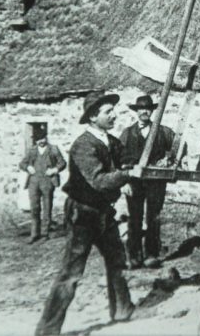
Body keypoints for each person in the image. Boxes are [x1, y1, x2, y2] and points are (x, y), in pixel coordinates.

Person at [35, 91, 142, 336]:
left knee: (117, 261)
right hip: (82, 215)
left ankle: (123, 309)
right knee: (71, 274)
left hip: (104, 213)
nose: (114, 115)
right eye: (108, 112)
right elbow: (99, 180)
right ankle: (47, 329)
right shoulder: (82, 146)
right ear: (93, 117)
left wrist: (138, 168)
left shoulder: (112, 142)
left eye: (113, 110)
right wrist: (127, 175)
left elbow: (126, 163)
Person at [119, 95, 175, 269]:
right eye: (141, 109)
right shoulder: (127, 133)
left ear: (152, 111)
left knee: (154, 217)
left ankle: (151, 254)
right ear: (136, 111)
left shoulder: (163, 131)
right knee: (134, 217)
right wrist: (124, 182)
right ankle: (134, 256)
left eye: (148, 109)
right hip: (134, 181)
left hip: (156, 182)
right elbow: (118, 158)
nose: (144, 112)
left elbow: (178, 146)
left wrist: (169, 159)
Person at [18, 129, 66, 243]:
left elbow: (62, 163)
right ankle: (34, 234)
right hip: (33, 182)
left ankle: (45, 234)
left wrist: (54, 170)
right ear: (35, 140)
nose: (41, 141)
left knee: (47, 208)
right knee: (34, 208)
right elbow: (22, 163)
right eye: (38, 140)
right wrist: (27, 167)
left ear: (46, 138)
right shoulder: (32, 150)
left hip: (48, 182)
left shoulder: (53, 149)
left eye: (43, 139)